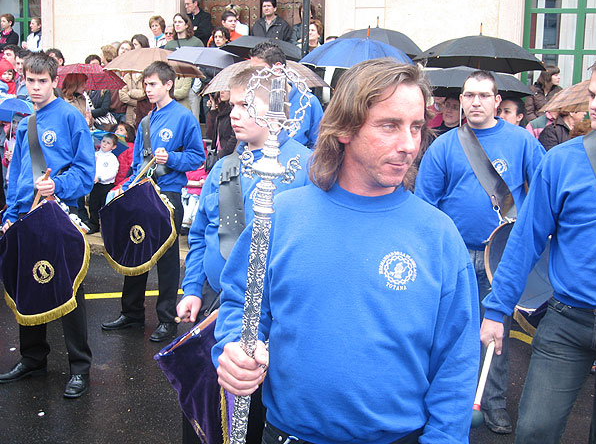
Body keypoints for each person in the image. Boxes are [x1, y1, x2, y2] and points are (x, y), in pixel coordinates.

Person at [213, 58, 480, 444]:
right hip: (290, 434)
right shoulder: (282, 216)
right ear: (344, 130)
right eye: (390, 125)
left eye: (417, 127)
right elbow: (240, 302)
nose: (409, 145)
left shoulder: (437, 234)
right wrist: (235, 348)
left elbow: (456, 360)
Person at [481, 49, 596, 444]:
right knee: (534, 429)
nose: (595, 104)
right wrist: (497, 309)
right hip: (566, 319)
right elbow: (526, 239)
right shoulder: (562, 161)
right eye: (593, 94)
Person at [177, 66, 312, 443]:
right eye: (232, 104)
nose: (234, 114)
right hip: (214, 304)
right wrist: (191, 288)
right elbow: (203, 232)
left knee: (251, 417)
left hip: (269, 315)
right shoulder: (223, 166)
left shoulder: (307, 167)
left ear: (277, 112)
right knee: (203, 412)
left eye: (246, 105)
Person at [415, 70, 545, 435]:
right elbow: (426, 204)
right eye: (469, 95)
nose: (475, 102)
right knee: (446, 332)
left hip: (501, 257)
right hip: (453, 255)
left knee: (495, 332)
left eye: (483, 96)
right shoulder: (443, 146)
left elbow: (543, 194)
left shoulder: (522, 142)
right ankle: (443, 400)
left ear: (496, 100)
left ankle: (494, 403)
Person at [0, 52, 95, 398]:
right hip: (26, 215)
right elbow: (16, 176)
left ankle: (80, 368)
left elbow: (86, 173)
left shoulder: (71, 118)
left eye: (43, 81)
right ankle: (32, 358)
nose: (36, 87)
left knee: (68, 289)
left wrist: (59, 186)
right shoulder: (26, 123)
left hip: (58, 213)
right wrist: (11, 214)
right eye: (30, 80)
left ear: (54, 81)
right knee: (28, 285)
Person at [101, 60, 205, 343]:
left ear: (168, 84)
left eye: (152, 84)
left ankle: (167, 319)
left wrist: (171, 158)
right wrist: (127, 187)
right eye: (145, 84)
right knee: (136, 250)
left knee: (168, 260)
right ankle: (131, 313)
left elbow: (198, 157)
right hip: (143, 193)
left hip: (168, 195)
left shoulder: (183, 117)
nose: (147, 90)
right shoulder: (146, 121)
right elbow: (137, 165)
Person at [249, 42, 324, 148]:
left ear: (277, 68)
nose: (255, 76)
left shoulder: (308, 101)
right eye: (252, 71)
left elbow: (319, 145)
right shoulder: (253, 100)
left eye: (259, 70)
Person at [87, 133, 119, 234]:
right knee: (93, 204)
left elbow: (112, 173)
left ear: (113, 147)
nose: (104, 144)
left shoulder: (113, 158)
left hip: (106, 186)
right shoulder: (95, 155)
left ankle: (106, 228)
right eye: (103, 141)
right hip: (95, 185)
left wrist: (100, 178)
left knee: (105, 207)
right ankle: (93, 224)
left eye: (108, 143)